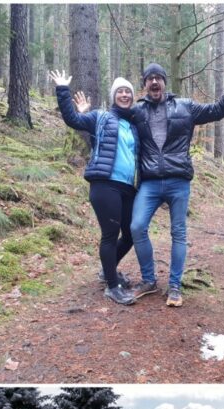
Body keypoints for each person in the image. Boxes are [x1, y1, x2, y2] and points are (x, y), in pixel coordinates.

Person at [129, 59, 224, 307]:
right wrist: (85, 114)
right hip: (149, 182)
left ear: (164, 82)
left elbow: (218, 110)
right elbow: (113, 117)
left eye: (158, 77)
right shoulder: (137, 111)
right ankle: (148, 281)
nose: (154, 82)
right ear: (145, 85)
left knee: (178, 233)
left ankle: (174, 286)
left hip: (178, 181)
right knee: (137, 227)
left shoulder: (185, 107)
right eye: (149, 79)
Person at [50, 70, 140, 305]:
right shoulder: (100, 117)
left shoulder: (133, 126)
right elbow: (73, 120)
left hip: (127, 187)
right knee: (110, 235)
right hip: (104, 185)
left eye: (127, 92)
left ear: (132, 97)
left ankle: (107, 271)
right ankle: (112, 286)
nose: (124, 94)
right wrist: (62, 89)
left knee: (131, 233)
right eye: (120, 91)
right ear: (113, 96)